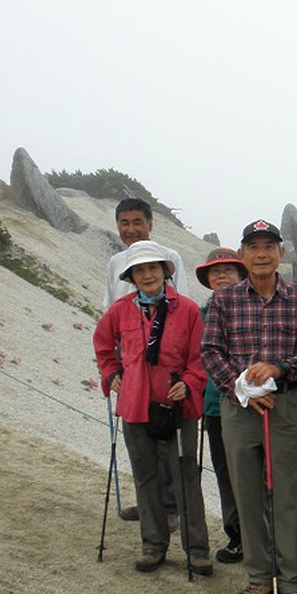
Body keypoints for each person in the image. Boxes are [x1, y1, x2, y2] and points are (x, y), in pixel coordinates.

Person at [200, 219, 297, 594]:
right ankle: (259, 576)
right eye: (253, 247)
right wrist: (239, 386)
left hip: (286, 404)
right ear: (242, 255)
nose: (261, 254)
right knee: (248, 494)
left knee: (290, 495)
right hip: (239, 409)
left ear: (281, 253)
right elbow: (210, 350)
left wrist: (278, 368)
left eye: (269, 246)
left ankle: (294, 584)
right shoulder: (225, 301)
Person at [93, 240, 212, 575]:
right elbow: (103, 344)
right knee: (145, 477)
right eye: (140, 270)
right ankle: (153, 545)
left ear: (164, 272)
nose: (147, 274)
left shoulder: (187, 309)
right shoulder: (120, 310)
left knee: (185, 474)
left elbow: (198, 356)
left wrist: (189, 383)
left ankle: (197, 548)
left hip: (178, 405)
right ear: (131, 276)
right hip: (134, 404)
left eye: (153, 268)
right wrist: (112, 372)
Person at [104, 197, 187, 525]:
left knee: (164, 433)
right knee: (137, 436)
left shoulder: (170, 258)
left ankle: (169, 507)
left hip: (163, 361)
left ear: (151, 224)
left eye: (137, 222)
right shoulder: (115, 262)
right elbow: (110, 310)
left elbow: (181, 308)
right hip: (130, 359)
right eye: (124, 223)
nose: (131, 229)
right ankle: (148, 503)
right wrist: (111, 365)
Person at [194, 247, 248, 564]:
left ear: (241, 275)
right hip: (214, 406)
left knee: (253, 474)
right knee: (226, 474)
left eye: (229, 270)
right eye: (215, 272)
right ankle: (238, 536)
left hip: (250, 404)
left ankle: (261, 536)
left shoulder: (254, 311)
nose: (222, 276)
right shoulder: (200, 316)